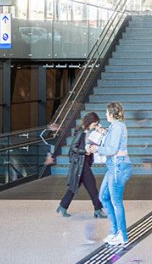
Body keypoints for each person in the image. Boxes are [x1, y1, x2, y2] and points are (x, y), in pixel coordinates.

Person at [89, 102, 132, 246]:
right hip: (114, 166)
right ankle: (115, 231)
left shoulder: (118, 126)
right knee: (103, 197)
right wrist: (105, 132)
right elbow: (113, 139)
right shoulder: (115, 126)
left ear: (112, 114)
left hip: (118, 166)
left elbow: (112, 149)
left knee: (116, 201)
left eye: (107, 112)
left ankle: (122, 235)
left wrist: (97, 149)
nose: (105, 115)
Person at [57, 112, 107, 220]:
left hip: (84, 163)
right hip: (81, 164)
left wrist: (100, 131)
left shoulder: (90, 132)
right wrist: (84, 151)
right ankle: (98, 210)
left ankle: (63, 206)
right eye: (94, 124)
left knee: (74, 186)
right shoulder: (80, 132)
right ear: (89, 122)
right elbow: (73, 148)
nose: (95, 126)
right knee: (92, 186)